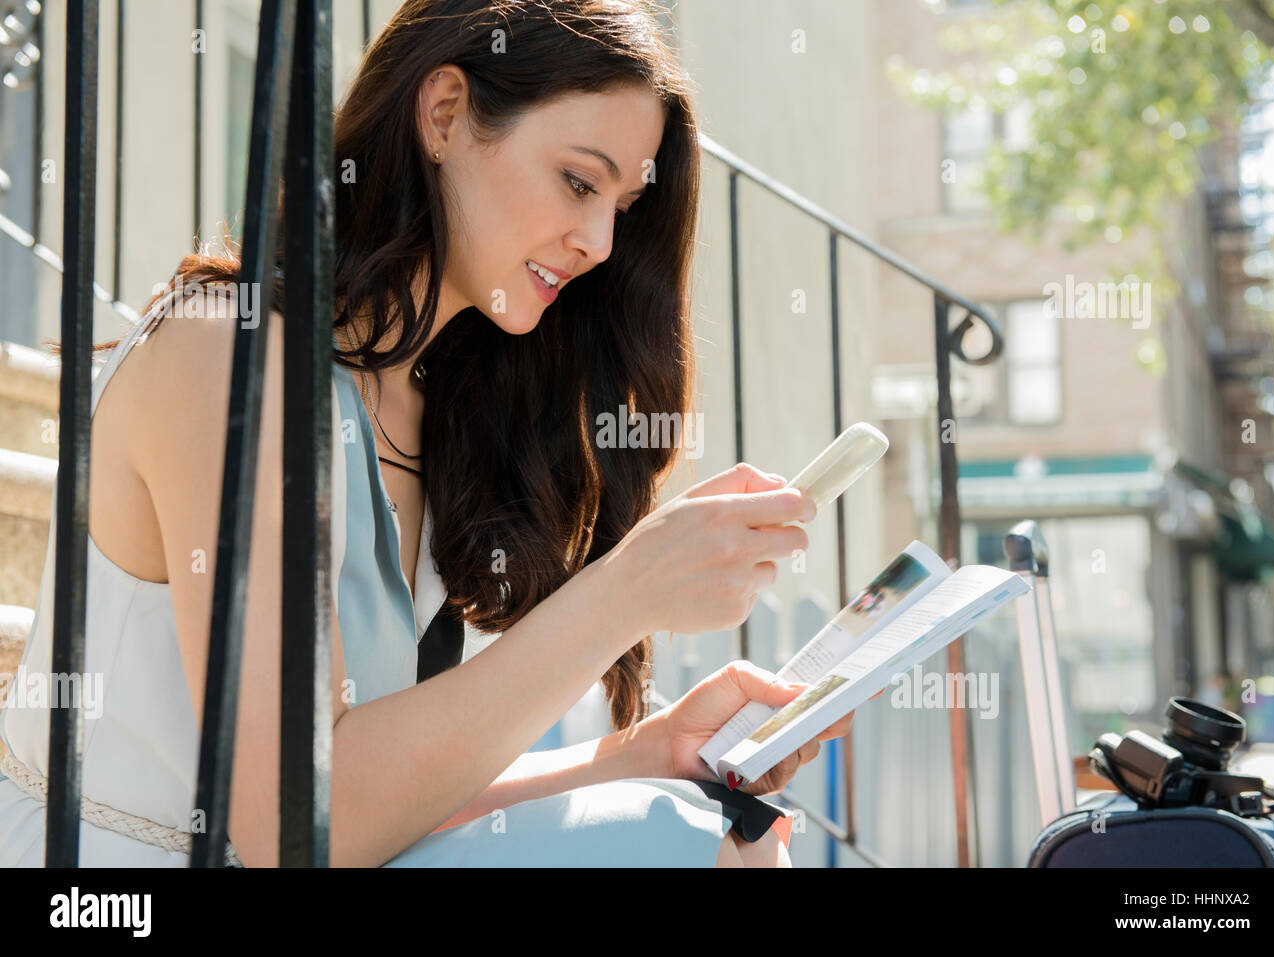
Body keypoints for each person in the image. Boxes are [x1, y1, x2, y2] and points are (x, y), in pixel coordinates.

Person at [0, 0, 853, 868]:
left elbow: (385, 797)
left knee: (720, 829)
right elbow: (296, 823)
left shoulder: (430, 403)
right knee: (685, 842)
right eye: (579, 182)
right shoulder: (223, 355)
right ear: (444, 113)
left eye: (623, 208)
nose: (598, 242)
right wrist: (624, 592)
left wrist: (641, 751)